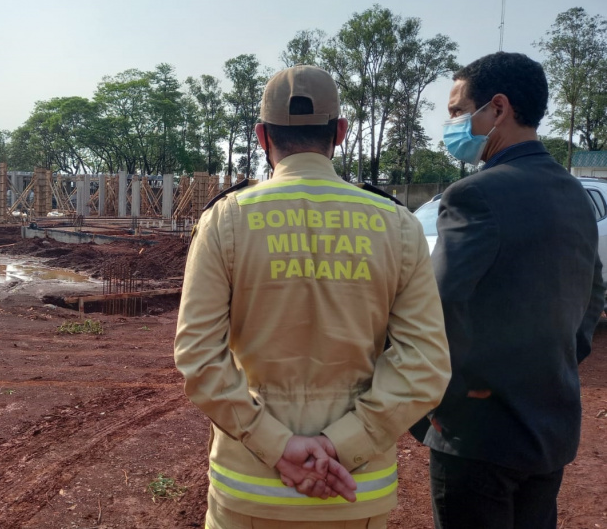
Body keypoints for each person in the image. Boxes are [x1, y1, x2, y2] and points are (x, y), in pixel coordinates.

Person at [174, 65, 451, 528]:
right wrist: (343, 443)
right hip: (354, 488)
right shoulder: (396, 224)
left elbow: (199, 357)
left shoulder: (227, 220)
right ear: (340, 132)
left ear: (262, 135)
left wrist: (277, 445)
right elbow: (425, 362)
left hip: (250, 490)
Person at [425, 52, 606, 529]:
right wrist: (557, 365)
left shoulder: (474, 195)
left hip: (480, 435)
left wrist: (438, 407)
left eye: (458, 111)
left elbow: (439, 310)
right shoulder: (576, 196)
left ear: (498, 108)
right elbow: (593, 300)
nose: (452, 124)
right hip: (552, 429)